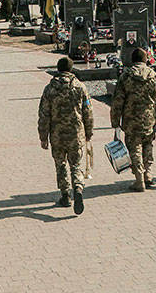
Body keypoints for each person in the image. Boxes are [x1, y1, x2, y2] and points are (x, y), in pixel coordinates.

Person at [38, 57, 93, 214]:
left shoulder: (50, 89)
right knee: (76, 163)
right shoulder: (80, 87)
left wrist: (43, 136)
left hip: (57, 134)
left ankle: (65, 195)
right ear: (71, 69)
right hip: (76, 133)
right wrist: (89, 132)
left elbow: (43, 114)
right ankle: (78, 187)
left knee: (60, 164)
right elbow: (88, 112)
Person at [110, 48, 156, 192]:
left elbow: (117, 101)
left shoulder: (125, 77)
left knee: (134, 148)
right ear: (145, 59)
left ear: (132, 60)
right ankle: (148, 173)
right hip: (149, 118)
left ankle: (139, 179)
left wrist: (115, 121)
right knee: (148, 145)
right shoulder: (154, 76)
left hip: (131, 119)